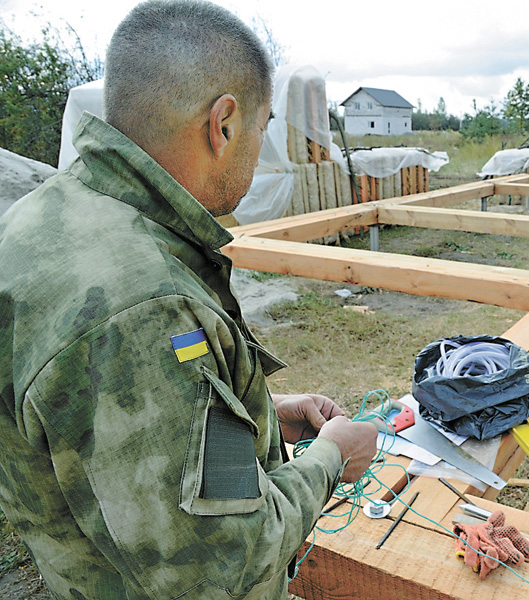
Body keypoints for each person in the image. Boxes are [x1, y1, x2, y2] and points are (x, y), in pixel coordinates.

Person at [0, 1, 377, 598]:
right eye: (262, 127)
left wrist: (257, 415)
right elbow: (219, 569)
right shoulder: (143, 306)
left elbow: (101, 431)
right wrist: (331, 458)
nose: (259, 146)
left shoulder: (46, 218)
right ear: (223, 124)